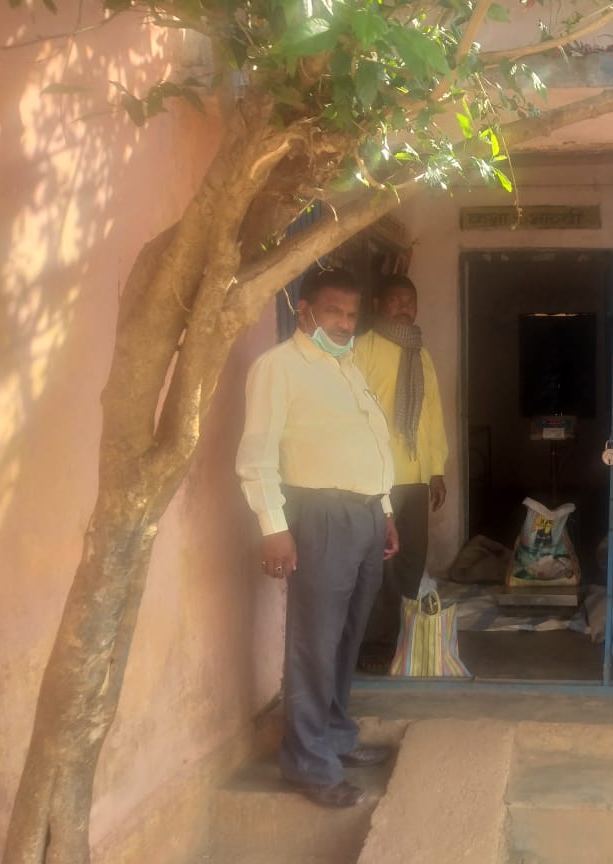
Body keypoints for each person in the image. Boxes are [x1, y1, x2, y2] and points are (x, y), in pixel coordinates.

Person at [236, 267, 400, 808]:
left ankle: (333, 734)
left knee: (348, 634)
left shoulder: (347, 367)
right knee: (314, 640)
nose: (344, 323)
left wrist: (386, 510)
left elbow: (370, 448)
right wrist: (273, 527)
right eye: (334, 312)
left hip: (364, 515)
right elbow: (257, 454)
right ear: (305, 311)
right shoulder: (278, 368)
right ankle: (307, 763)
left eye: (351, 315)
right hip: (319, 515)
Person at [354, 274, 448, 658]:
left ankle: (403, 641)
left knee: (411, 560)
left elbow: (432, 415)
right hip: (378, 481)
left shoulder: (420, 353)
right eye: (395, 300)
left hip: (416, 477)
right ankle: (375, 647)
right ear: (378, 304)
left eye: (409, 300)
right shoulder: (362, 350)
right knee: (381, 566)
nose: (404, 307)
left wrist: (436, 470)